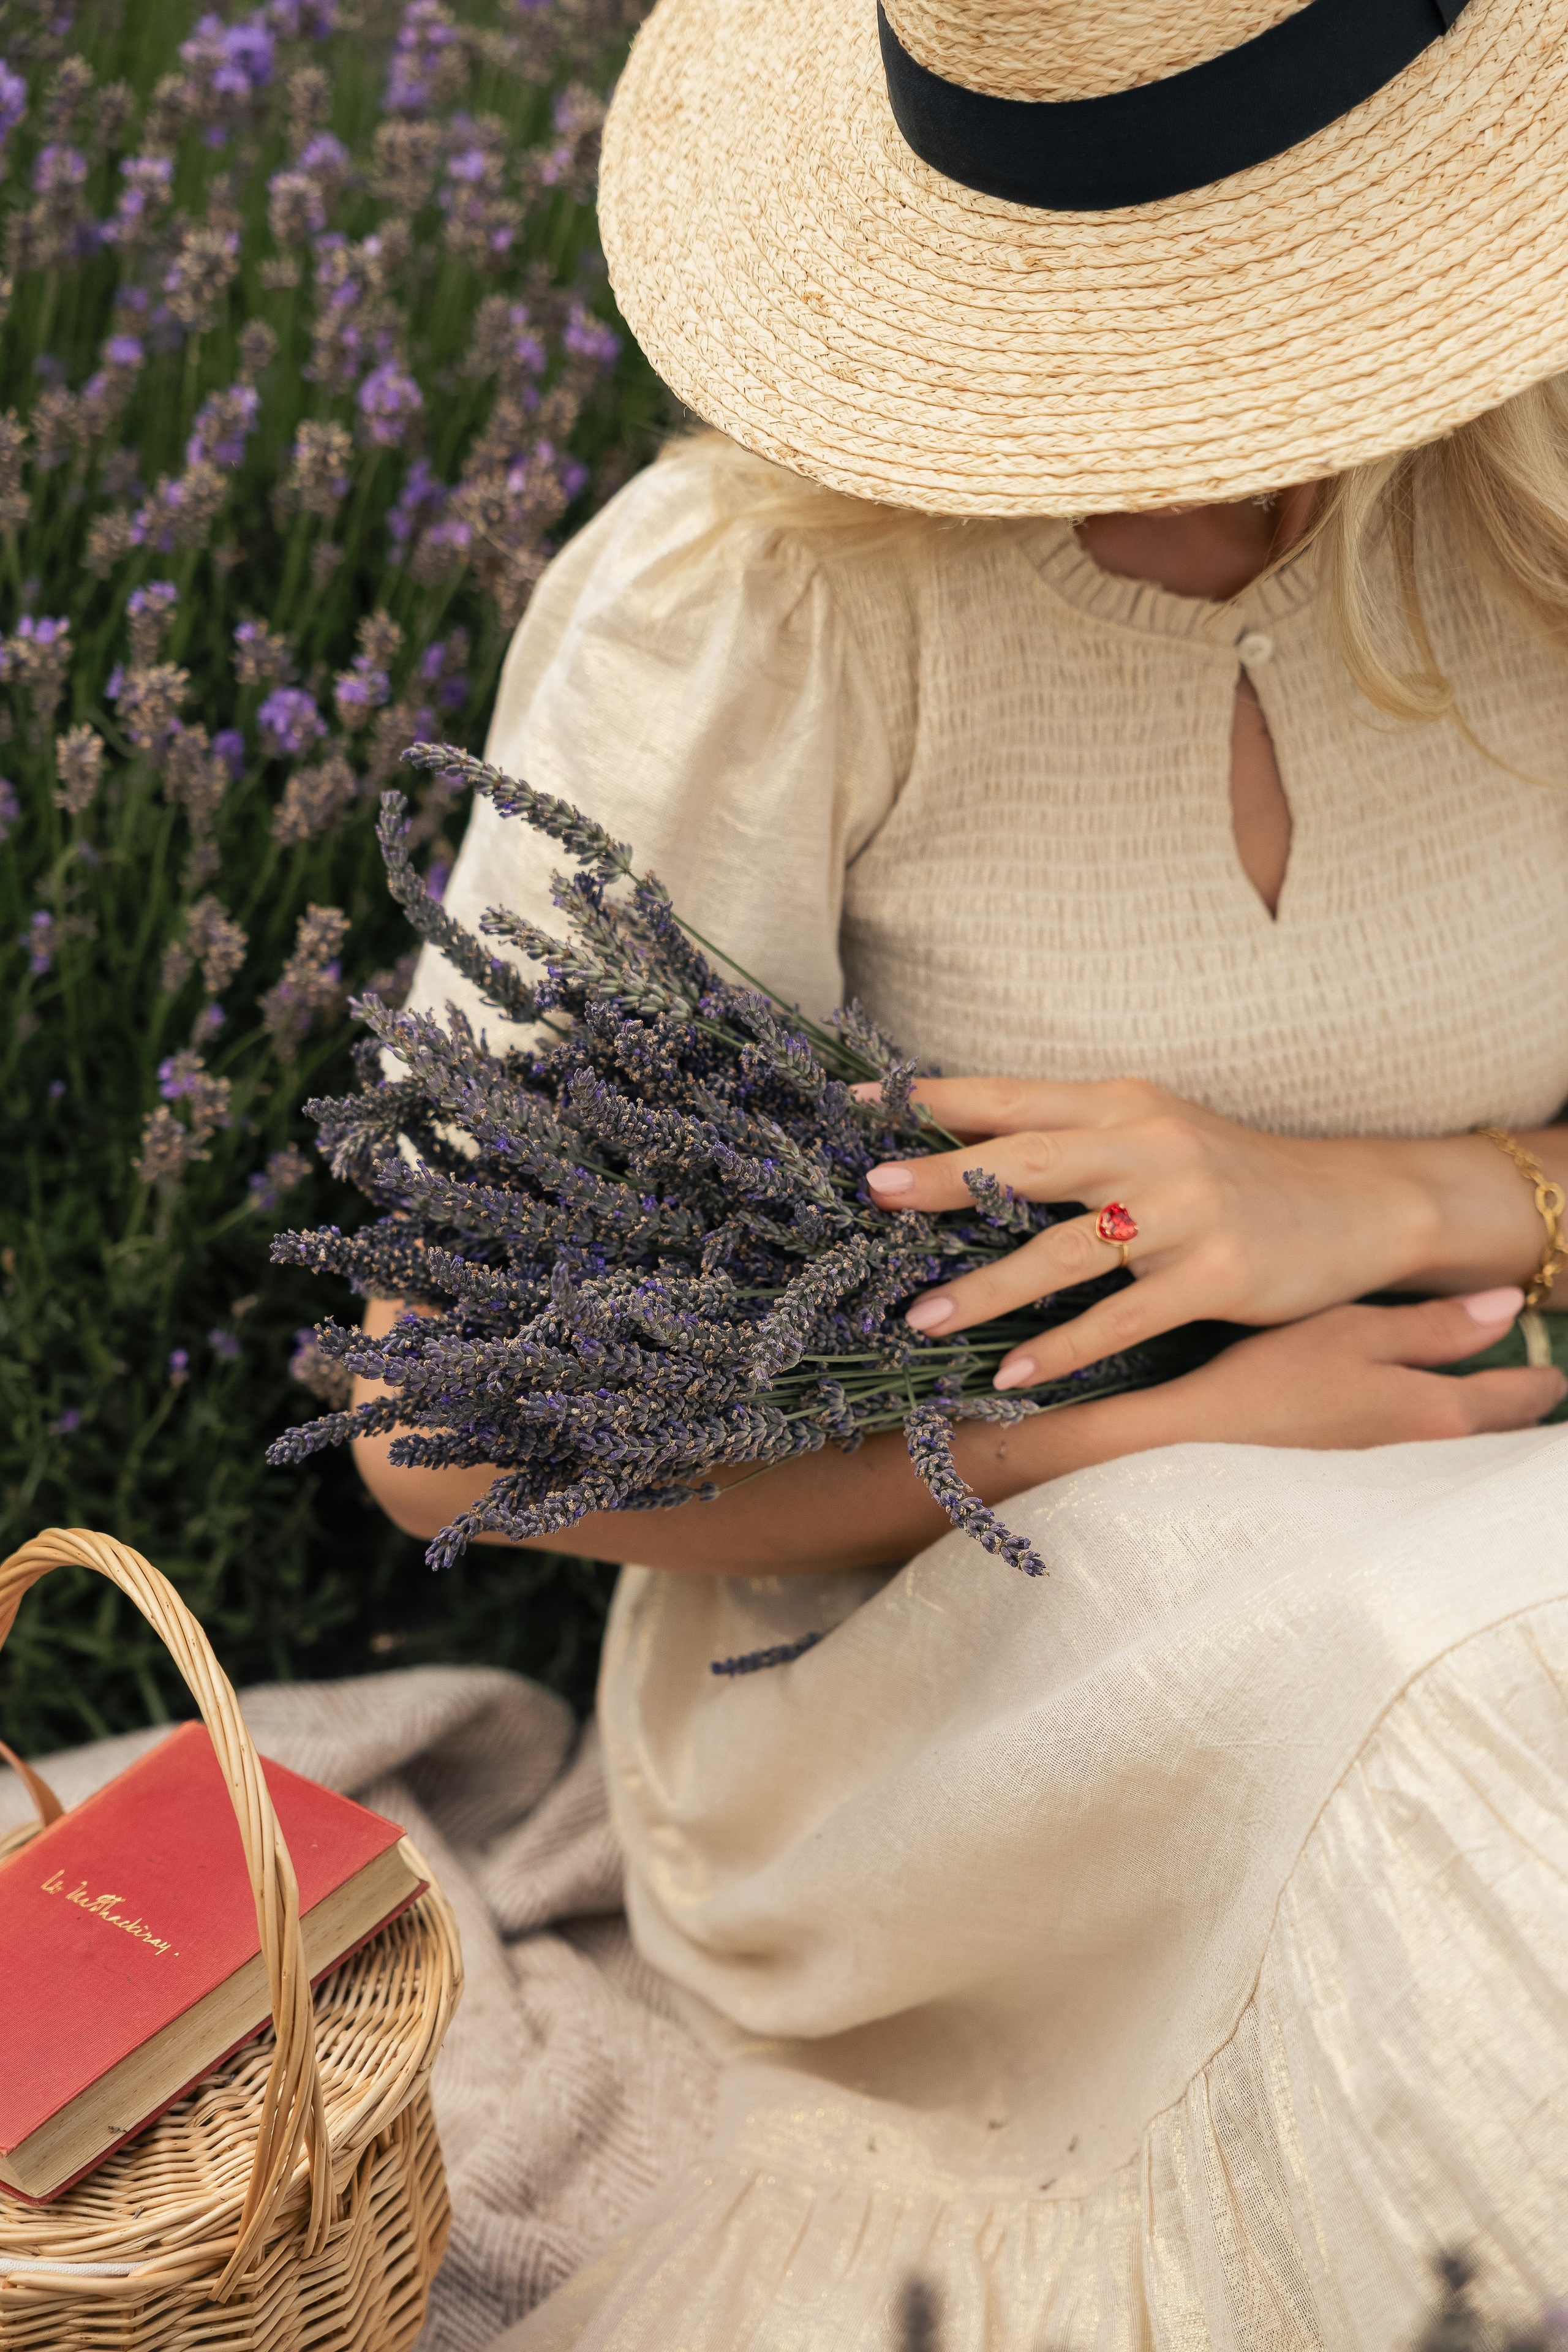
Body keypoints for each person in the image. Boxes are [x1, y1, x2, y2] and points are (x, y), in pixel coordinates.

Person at [357, 1, 1568, 2342]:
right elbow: (439, 1420)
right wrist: (1142, 1425)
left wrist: (1445, 1196)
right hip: (954, 1681)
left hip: (1513, 1454)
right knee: (1463, 1681)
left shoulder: (1524, 491)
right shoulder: (766, 612)